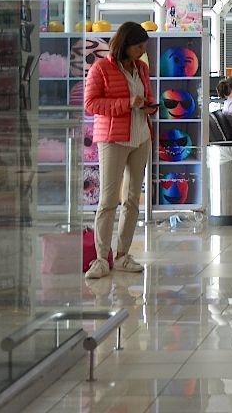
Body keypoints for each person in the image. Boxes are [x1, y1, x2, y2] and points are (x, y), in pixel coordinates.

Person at [83, 22, 159, 279]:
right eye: (138, 46)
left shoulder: (142, 69)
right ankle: (101, 259)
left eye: (143, 47)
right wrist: (126, 103)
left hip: (141, 137)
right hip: (113, 139)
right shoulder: (101, 68)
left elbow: (146, 98)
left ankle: (123, 254)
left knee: (132, 200)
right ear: (124, 44)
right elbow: (91, 104)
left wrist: (150, 107)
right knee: (107, 201)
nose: (141, 51)